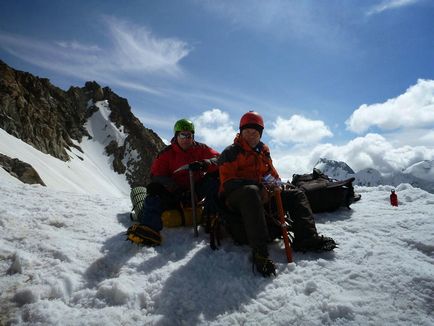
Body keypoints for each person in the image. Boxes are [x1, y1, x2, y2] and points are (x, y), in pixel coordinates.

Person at [218, 111, 337, 277]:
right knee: (251, 193)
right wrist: (258, 186)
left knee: (296, 194)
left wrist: (276, 185)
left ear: (260, 134)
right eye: (247, 132)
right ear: (241, 132)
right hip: (236, 198)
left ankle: (306, 238)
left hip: (261, 194)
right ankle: (260, 253)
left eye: (255, 133)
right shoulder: (231, 152)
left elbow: (272, 175)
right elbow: (228, 183)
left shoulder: (263, 151)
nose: (251, 136)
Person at [136, 118, 220, 237]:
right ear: (176, 136)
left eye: (189, 135)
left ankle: (211, 217)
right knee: (154, 189)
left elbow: (220, 160)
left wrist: (205, 163)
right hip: (174, 193)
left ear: (193, 136)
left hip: (195, 191)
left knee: (216, 178)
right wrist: (176, 190)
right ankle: (149, 229)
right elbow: (157, 176)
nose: (186, 139)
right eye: (182, 135)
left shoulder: (201, 149)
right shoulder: (166, 154)